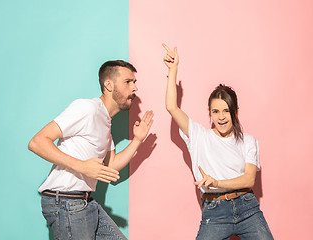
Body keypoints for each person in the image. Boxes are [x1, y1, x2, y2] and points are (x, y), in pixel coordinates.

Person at [28, 60, 153, 240]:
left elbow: (111, 165)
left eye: (134, 82)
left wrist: (138, 140)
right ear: (108, 85)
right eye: (128, 82)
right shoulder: (87, 108)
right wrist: (82, 166)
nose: (135, 88)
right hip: (65, 201)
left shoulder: (105, 120)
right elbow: (37, 142)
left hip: (84, 202)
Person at [162, 44, 273, 240]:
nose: (221, 117)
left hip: (247, 208)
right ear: (210, 113)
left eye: (226, 110)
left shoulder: (248, 141)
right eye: (215, 111)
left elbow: (249, 179)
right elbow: (172, 107)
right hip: (214, 212)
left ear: (235, 111)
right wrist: (173, 71)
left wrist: (217, 182)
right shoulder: (198, 136)